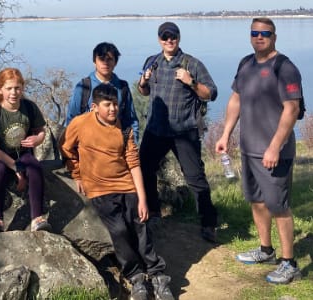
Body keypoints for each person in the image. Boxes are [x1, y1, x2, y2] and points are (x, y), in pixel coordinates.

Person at [60, 83, 174, 300]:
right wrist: (76, 173)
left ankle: (158, 275)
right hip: (99, 188)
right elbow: (66, 148)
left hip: (126, 184)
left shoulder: (123, 128)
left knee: (141, 226)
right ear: (94, 107)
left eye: (115, 104)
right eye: (107, 105)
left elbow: (133, 163)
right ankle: (136, 277)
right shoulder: (80, 124)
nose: (113, 109)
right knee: (120, 230)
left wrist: (142, 198)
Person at [215, 17, 303, 284]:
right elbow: (236, 99)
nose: (259, 37)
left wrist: (275, 147)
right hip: (249, 148)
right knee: (256, 200)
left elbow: (292, 109)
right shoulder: (246, 64)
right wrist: (226, 133)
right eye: (255, 32)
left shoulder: (284, 67)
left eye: (265, 33)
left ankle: (289, 264)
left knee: (279, 206)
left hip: (275, 151)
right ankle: (266, 250)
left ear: (274, 36)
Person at [137, 21, 218, 242]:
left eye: (172, 36)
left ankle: (208, 223)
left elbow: (211, 93)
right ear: (159, 40)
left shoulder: (192, 63)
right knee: (145, 170)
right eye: (164, 37)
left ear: (178, 38)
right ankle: (153, 213)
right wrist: (143, 81)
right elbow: (143, 91)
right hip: (156, 130)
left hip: (184, 131)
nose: (169, 40)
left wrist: (190, 81)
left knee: (195, 178)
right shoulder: (152, 61)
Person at [0, 68, 51, 234]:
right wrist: (16, 168)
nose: (14, 92)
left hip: (22, 154)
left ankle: (37, 218)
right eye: (9, 88)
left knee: (35, 167)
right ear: (0, 89)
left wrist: (37, 139)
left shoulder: (29, 108)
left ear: (22, 88)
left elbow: (40, 130)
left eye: (17, 88)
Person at [65, 42, 140, 143]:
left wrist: (131, 144)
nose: (105, 63)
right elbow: (72, 118)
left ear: (115, 62)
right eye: (101, 59)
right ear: (94, 62)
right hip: (88, 146)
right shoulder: (84, 87)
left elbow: (131, 120)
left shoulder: (122, 87)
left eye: (109, 59)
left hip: (116, 146)